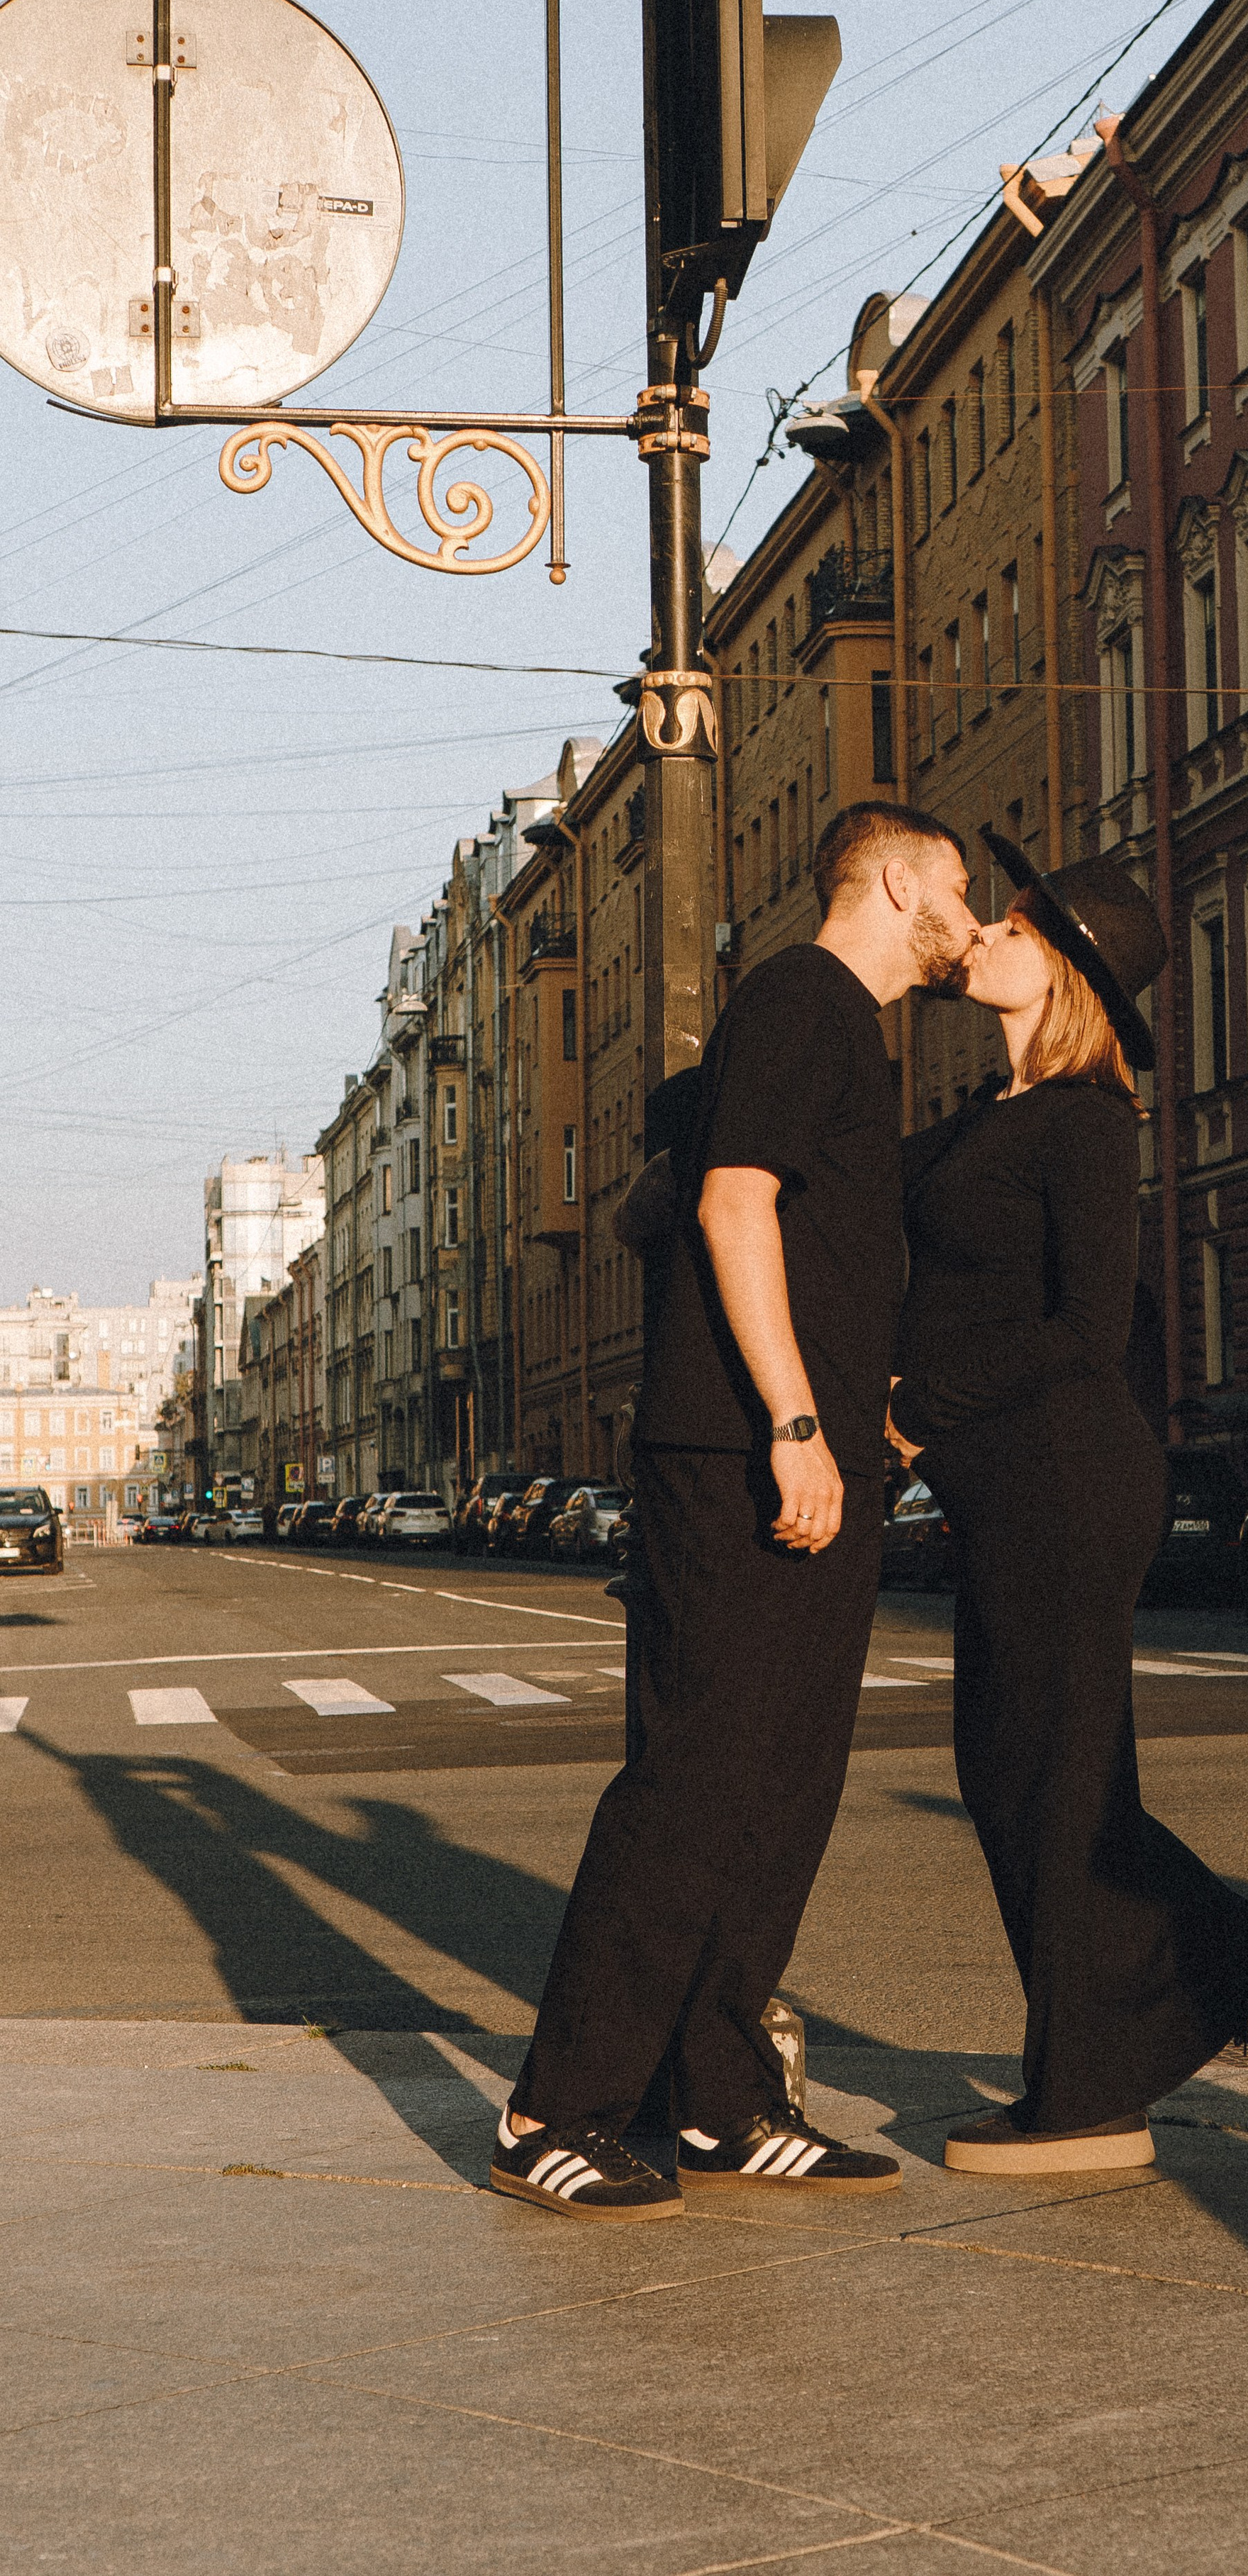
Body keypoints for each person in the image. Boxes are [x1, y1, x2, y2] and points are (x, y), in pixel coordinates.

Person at [493, 799, 979, 2222]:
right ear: (896, 883)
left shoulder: (849, 1034)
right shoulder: (800, 999)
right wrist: (793, 1422)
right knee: (695, 1784)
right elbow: (731, 1205)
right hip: (739, 1455)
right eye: (956, 888)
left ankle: (719, 2098)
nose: (965, 918)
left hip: (810, 1457)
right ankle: (553, 2109)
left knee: (782, 1788)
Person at [886, 836, 1248, 2174]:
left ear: (1065, 970)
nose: (985, 933)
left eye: (1013, 925)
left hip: (1065, 1481)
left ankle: (1121, 2067)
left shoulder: (1088, 1121)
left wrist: (916, 1406)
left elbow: (1089, 1329)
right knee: (1027, 1779)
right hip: (1013, 1489)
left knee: (1052, 1786)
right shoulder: (988, 1115)